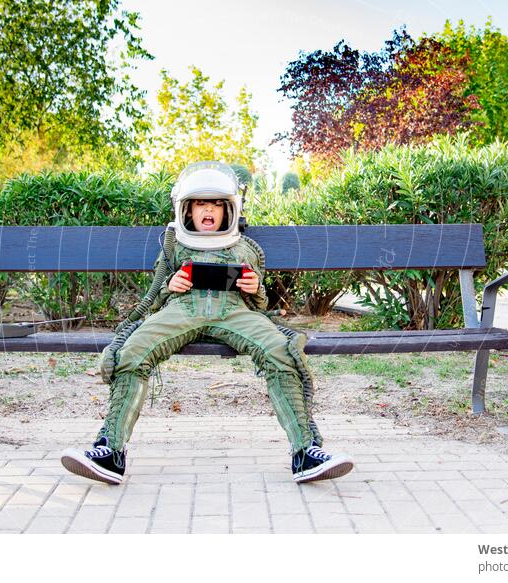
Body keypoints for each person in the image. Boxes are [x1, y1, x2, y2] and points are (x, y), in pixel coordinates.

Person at [61, 161, 353, 484]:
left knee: (281, 351)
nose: (209, 210)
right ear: (187, 210)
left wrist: (254, 287)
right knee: (132, 352)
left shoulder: (244, 248)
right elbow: (154, 298)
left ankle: (306, 453)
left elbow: (260, 304)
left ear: (229, 209)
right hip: (182, 309)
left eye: (216, 203)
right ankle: (110, 451)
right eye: (201, 203)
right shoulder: (175, 244)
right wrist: (171, 284)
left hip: (233, 311)